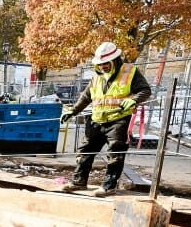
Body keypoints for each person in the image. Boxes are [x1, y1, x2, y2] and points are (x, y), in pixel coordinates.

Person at [60, 41, 152, 197]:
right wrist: (73, 110)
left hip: (118, 120)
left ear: (115, 60)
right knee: (85, 151)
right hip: (97, 119)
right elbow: (86, 96)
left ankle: (108, 186)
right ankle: (78, 181)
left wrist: (134, 100)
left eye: (105, 63)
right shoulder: (97, 77)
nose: (102, 67)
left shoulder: (130, 72)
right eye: (100, 64)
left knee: (115, 153)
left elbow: (145, 90)